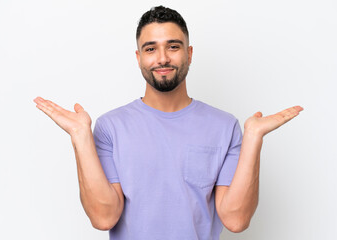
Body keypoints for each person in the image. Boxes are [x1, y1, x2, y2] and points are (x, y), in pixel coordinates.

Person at [33, 6, 303, 240]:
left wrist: (254, 139)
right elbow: (104, 217)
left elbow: (236, 220)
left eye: (173, 46)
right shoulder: (110, 128)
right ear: (139, 58)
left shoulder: (225, 127)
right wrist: (80, 136)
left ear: (189, 53)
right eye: (151, 49)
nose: (162, 58)